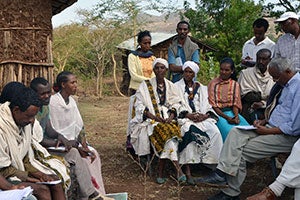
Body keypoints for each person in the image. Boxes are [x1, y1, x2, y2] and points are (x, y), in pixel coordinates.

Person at [197, 57, 300, 200]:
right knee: (235, 132)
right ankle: (221, 173)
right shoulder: (287, 85)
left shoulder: (298, 87)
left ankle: (231, 193)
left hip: (285, 136)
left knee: (240, 152)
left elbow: (294, 127)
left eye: (276, 77)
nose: (275, 81)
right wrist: (263, 121)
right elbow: (282, 111)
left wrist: (267, 131)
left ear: (288, 71)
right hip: (270, 127)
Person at [30, 77, 109, 200]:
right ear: (33, 94)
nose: (47, 96)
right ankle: (90, 195)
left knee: (75, 153)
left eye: (48, 92)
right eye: (42, 94)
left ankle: (90, 194)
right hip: (37, 151)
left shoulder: (45, 107)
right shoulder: (31, 110)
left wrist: (60, 137)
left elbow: (49, 128)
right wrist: (58, 142)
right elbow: (35, 140)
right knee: (74, 154)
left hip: (48, 146)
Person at [0, 87, 66, 200]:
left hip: (16, 170)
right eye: (29, 116)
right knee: (42, 190)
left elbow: (24, 158)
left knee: (55, 182)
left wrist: (40, 175)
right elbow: (4, 169)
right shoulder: (2, 128)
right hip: (5, 174)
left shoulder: (23, 125)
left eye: (34, 116)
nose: (32, 120)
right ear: (16, 110)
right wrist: (29, 178)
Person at [49, 71, 106, 195]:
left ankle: (98, 191)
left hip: (74, 142)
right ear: (63, 84)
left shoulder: (72, 102)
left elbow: (79, 126)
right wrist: (73, 145)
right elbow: (53, 130)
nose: (76, 85)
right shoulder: (53, 102)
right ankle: (88, 193)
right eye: (72, 82)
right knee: (82, 158)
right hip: (59, 145)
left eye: (76, 82)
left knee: (93, 154)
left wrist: (84, 145)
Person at [129, 58, 185, 184]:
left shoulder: (171, 85)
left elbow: (176, 103)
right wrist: (154, 117)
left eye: (162, 68)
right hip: (151, 121)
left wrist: (170, 117)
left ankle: (161, 172)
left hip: (167, 119)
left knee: (172, 134)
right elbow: (139, 105)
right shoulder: (145, 85)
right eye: (157, 68)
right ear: (154, 70)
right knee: (167, 134)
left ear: (166, 70)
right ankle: (178, 170)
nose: (159, 70)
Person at [174, 61, 223, 184]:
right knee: (188, 132)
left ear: (194, 73)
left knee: (215, 132)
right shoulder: (176, 86)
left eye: (191, 72)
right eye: (186, 71)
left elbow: (208, 104)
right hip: (186, 119)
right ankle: (188, 170)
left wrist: (204, 115)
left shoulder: (201, 87)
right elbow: (175, 104)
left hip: (201, 118)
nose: (188, 74)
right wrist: (188, 114)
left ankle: (212, 166)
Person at [207, 57, 249, 141]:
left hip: (232, 113)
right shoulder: (213, 84)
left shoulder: (235, 84)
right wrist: (227, 118)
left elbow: (235, 103)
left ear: (232, 71)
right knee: (229, 132)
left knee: (247, 130)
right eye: (221, 69)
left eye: (226, 70)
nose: (223, 72)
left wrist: (236, 116)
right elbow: (213, 106)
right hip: (218, 114)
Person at [238, 49, 275, 124]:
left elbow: (276, 96)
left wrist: (263, 103)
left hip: (269, 109)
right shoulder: (246, 74)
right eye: (259, 58)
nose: (260, 61)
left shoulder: (274, 74)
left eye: (264, 59)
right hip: (249, 108)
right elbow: (243, 93)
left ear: (270, 60)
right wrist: (261, 97)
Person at [128, 30, 156, 95]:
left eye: (149, 43)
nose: (147, 45)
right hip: (136, 89)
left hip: (150, 89)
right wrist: (149, 81)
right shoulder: (133, 57)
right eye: (145, 43)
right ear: (139, 43)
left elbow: (154, 74)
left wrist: (151, 82)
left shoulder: (153, 58)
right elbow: (134, 76)